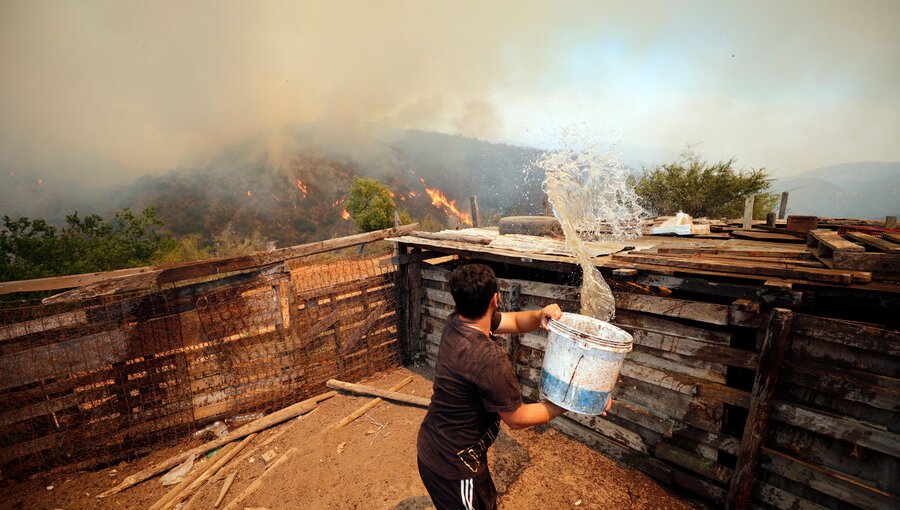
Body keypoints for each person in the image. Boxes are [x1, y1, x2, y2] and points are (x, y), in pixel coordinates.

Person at [416, 263, 611, 510]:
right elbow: (517, 418)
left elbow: (514, 321)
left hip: (437, 446)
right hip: (454, 465)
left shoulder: (456, 323)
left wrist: (540, 313)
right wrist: (574, 400)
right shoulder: (489, 359)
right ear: (495, 300)